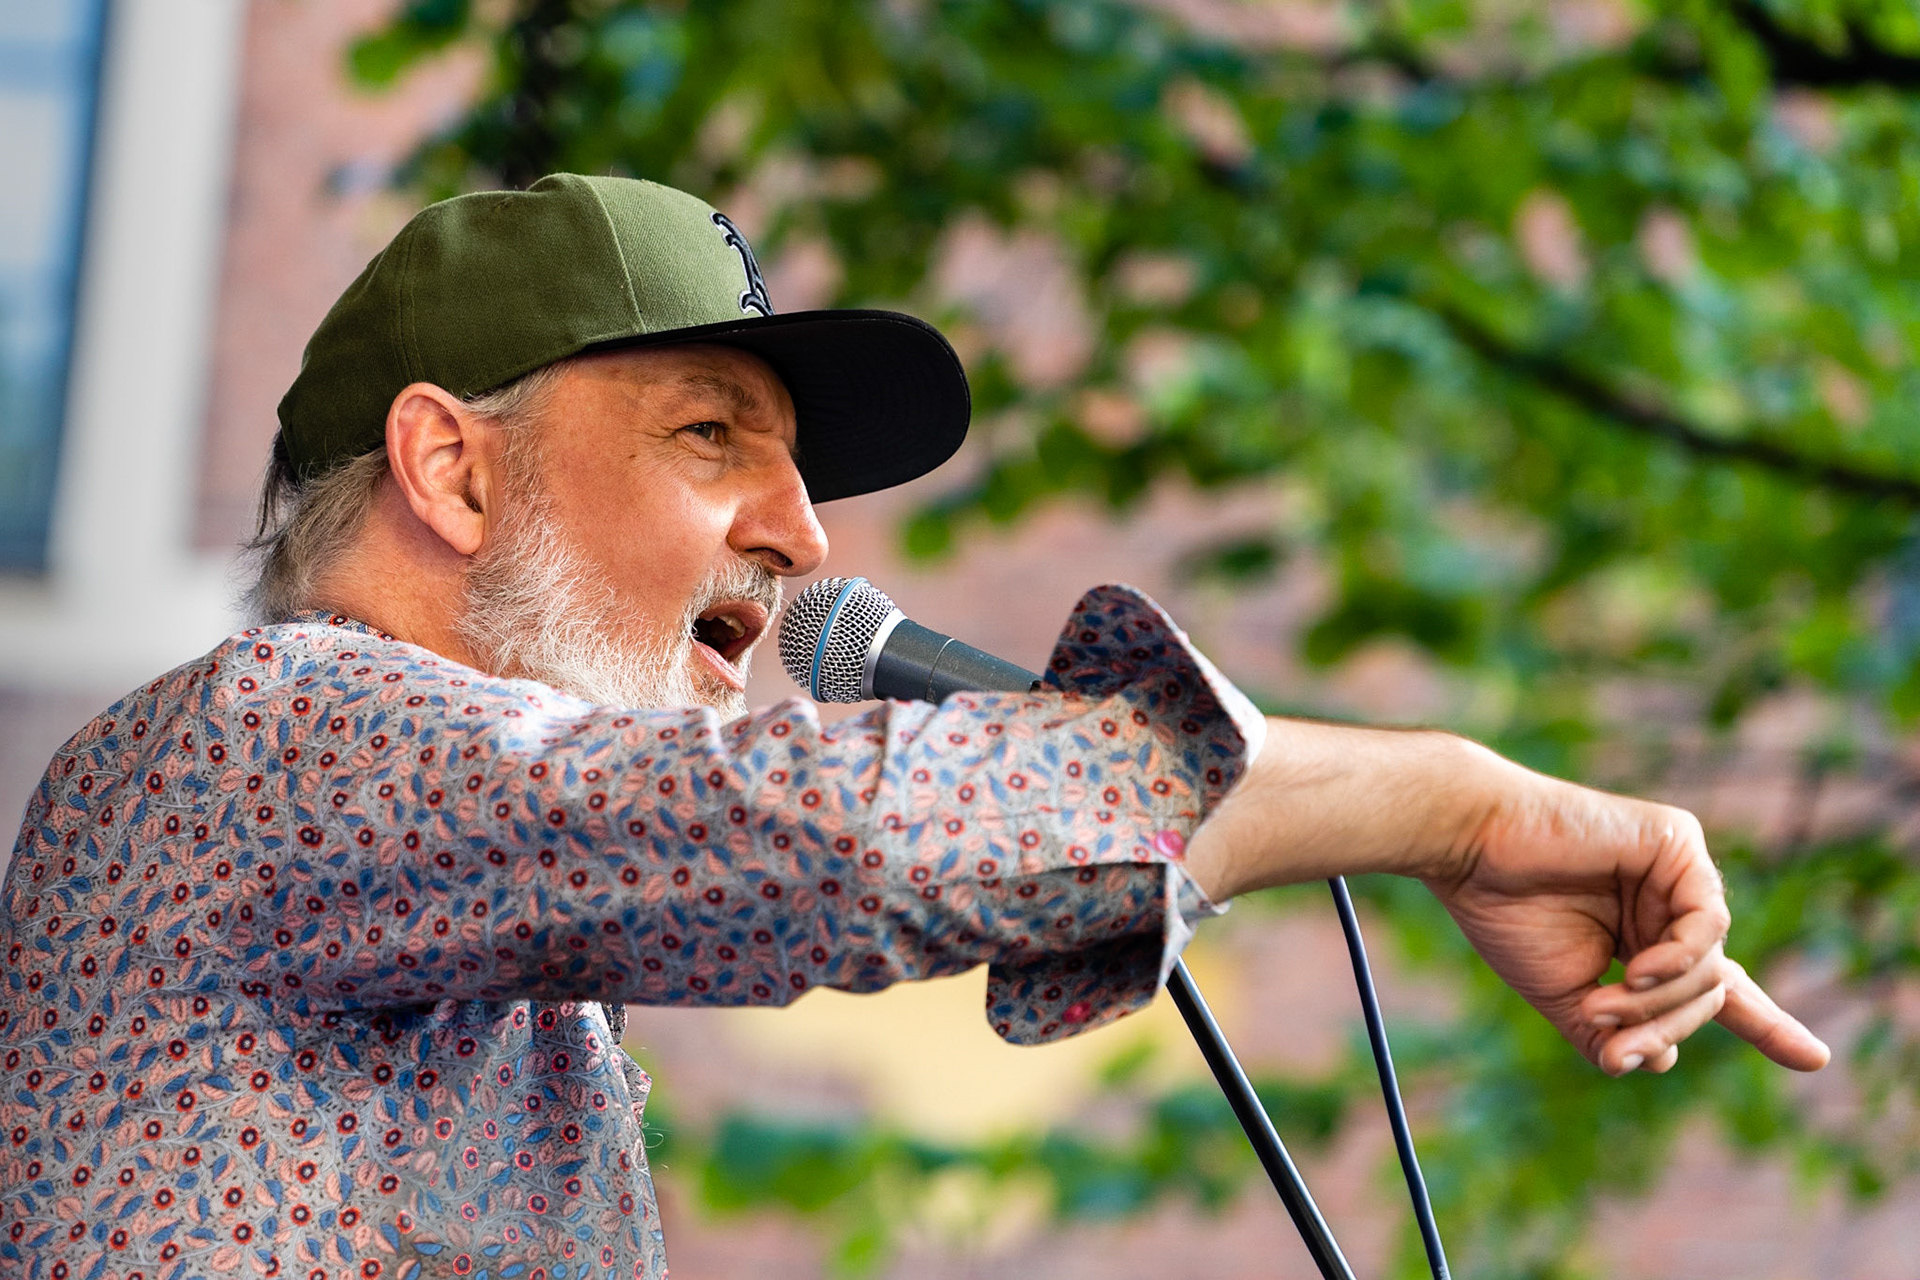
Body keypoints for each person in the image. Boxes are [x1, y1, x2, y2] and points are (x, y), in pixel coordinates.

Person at [1, 175, 1827, 1280]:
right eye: (710, 436)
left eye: (798, 470)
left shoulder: (496, 926)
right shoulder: (253, 746)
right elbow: (832, 835)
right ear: (453, 471)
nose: (806, 536)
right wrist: (1452, 805)